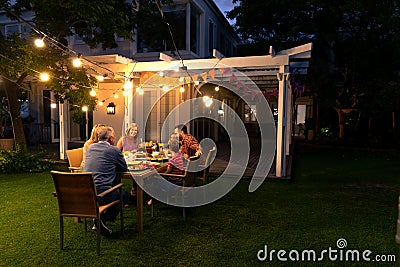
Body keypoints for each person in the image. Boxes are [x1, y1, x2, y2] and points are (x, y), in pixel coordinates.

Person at [83, 125, 129, 236]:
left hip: (87, 193)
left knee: (112, 186)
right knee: (125, 195)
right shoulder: (114, 150)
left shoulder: (90, 148)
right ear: (111, 138)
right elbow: (124, 168)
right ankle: (102, 219)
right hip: (102, 195)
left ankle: (99, 220)